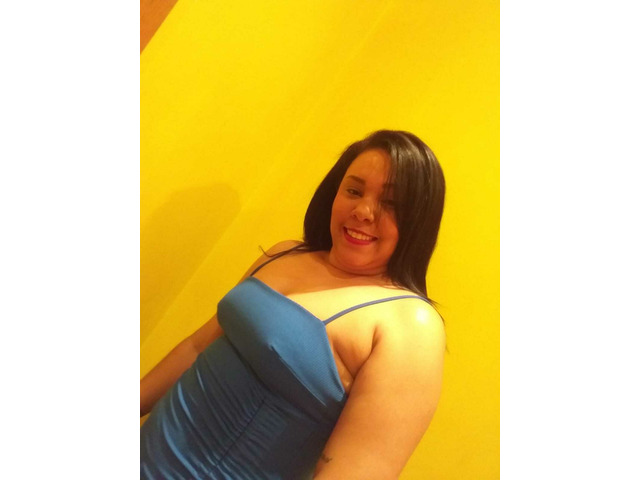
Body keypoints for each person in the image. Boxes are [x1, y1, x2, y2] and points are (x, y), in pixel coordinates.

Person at [140, 129, 447, 479]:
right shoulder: (283, 253)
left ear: (419, 220)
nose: (363, 211)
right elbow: (197, 347)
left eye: (391, 203)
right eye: (353, 190)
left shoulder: (411, 327)